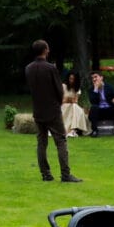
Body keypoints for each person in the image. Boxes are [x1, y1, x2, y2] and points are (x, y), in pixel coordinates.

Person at [27, 41, 80, 183]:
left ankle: (45, 174)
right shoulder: (50, 68)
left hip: (38, 110)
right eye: (48, 49)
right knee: (61, 141)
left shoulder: (29, 68)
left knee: (41, 142)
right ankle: (65, 174)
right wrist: (58, 102)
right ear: (45, 50)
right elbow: (59, 90)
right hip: (52, 110)